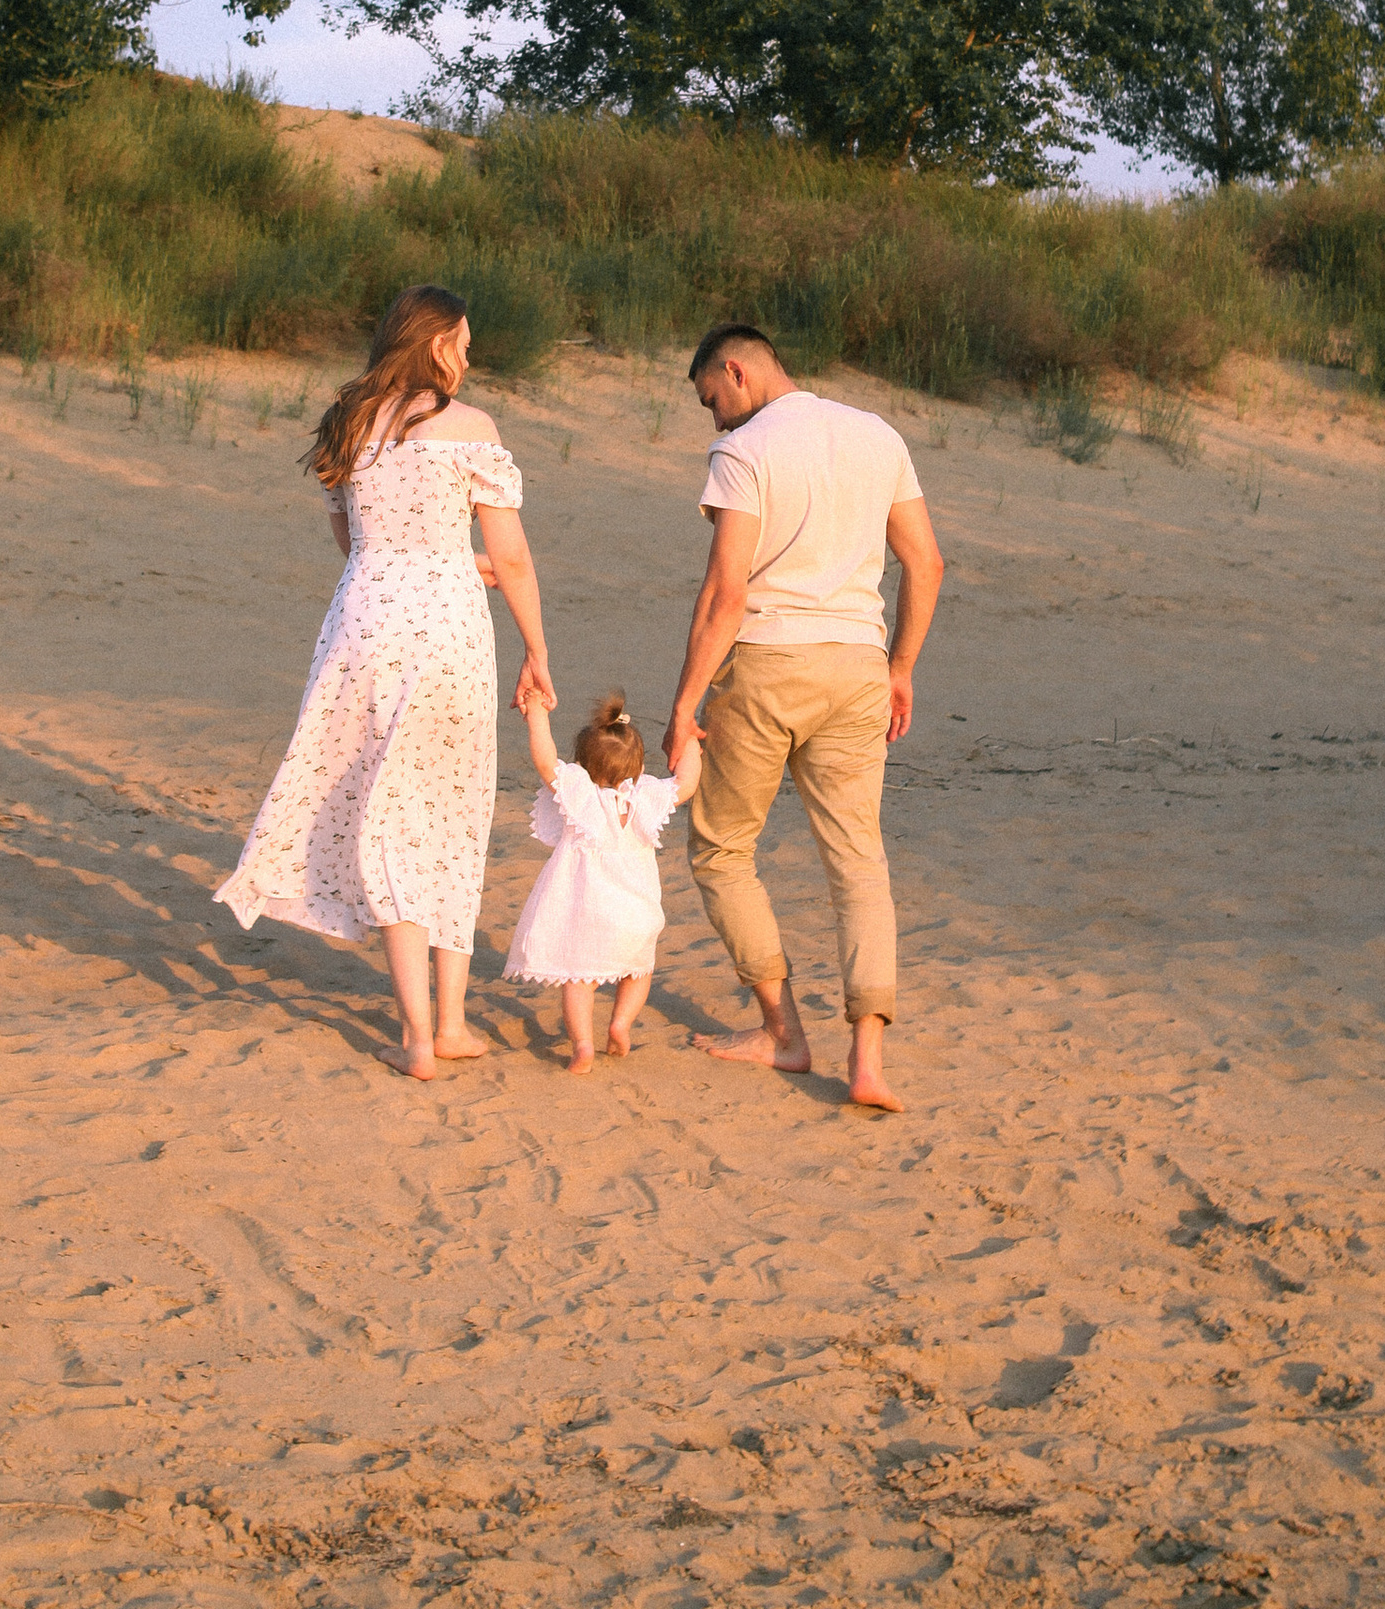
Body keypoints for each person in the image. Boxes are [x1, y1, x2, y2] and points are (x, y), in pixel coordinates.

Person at [214, 284, 555, 1079]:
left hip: (365, 625)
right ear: (435, 343)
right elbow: (512, 557)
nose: (469, 357)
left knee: (388, 814)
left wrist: (437, 561)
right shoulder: (470, 429)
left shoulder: (349, 423)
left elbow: (356, 538)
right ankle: (453, 1022)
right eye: (463, 342)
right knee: (453, 810)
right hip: (449, 633)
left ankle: (415, 1037)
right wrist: (538, 649)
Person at [664, 324, 944, 1115]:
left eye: (711, 399)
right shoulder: (877, 435)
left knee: (721, 848)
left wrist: (685, 704)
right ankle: (870, 1060)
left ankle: (783, 1033)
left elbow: (726, 594)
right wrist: (901, 667)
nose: (714, 417)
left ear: (735, 368)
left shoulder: (746, 451)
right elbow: (926, 562)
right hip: (859, 666)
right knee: (859, 859)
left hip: (768, 664)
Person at [503, 688, 700, 1072]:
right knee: (638, 970)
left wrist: (537, 714)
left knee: (578, 980)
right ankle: (621, 1024)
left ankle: (583, 1045)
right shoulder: (646, 799)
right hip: (636, 915)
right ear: (639, 767)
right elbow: (687, 783)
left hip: (588, 914)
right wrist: (690, 739)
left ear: (583, 765)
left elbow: (545, 762)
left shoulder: (580, 797)